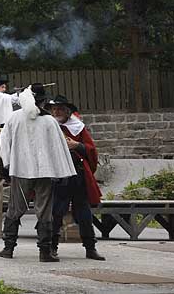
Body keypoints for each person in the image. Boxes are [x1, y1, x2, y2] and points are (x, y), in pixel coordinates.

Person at [0, 83, 77, 262]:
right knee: (44, 210)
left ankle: (8, 248)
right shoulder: (49, 121)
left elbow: (5, 143)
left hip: (21, 169)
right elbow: (58, 148)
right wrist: (61, 171)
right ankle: (44, 252)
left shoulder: (14, 118)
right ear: (42, 101)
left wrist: (7, 164)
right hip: (44, 170)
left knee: (15, 208)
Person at [49, 95, 105, 261]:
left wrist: (77, 145)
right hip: (59, 175)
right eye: (54, 109)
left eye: (60, 109)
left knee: (84, 213)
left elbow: (91, 150)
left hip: (78, 175)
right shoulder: (50, 126)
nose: (56, 112)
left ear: (67, 111)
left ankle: (90, 248)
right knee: (56, 212)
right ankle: (51, 247)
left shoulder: (78, 128)